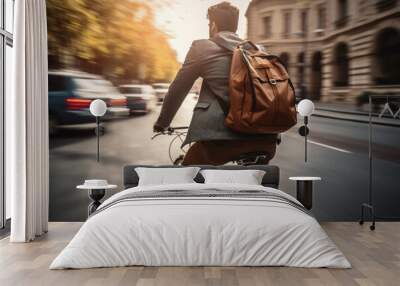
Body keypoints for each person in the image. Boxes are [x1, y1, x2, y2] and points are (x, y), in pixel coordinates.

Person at [153, 1, 277, 165]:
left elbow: (178, 89)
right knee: (259, 181)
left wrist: (162, 123)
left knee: (187, 176)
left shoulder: (201, 47)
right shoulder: (257, 50)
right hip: (265, 139)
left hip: (220, 140)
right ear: (235, 27)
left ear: (213, 26)